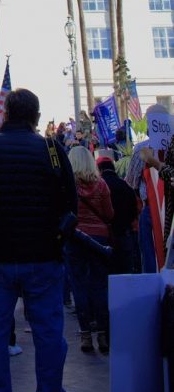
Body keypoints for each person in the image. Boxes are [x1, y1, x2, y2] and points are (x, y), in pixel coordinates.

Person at [0, 87, 77, 392]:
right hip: (43, 257)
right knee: (49, 333)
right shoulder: (52, 149)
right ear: (36, 118)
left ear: (6, 114)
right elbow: (71, 204)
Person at [66, 146, 114, 355]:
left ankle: (85, 333)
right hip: (99, 239)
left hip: (75, 238)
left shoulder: (68, 187)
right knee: (99, 285)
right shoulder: (101, 185)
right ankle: (102, 334)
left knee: (79, 285)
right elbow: (109, 214)